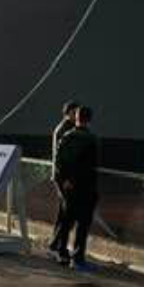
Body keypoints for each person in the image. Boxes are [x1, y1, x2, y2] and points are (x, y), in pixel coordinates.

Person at [52, 105, 100, 271]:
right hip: (85, 187)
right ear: (90, 119)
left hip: (68, 187)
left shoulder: (66, 136)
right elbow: (91, 165)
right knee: (82, 225)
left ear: (76, 117)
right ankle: (77, 258)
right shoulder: (91, 139)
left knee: (66, 221)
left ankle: (61, 253)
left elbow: (59, 161)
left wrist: (65, 180)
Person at [48, 101, 79, 261]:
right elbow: (61, 158)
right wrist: (66, 179)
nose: (77, 116)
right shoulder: (65, 129)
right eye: (75, 113)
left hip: (60, 176)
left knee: (63, 213)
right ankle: (58, 248)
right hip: (64, 178)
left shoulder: (62, 127)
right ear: (69, 113)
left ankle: (54, 245)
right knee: (68, 213)